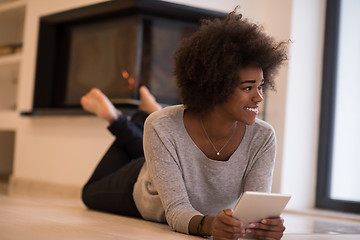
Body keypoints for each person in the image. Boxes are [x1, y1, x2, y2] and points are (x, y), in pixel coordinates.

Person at [81, 10, 288, 240]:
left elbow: (254, 210)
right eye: (248, 88)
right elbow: (176, 209)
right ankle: (121, 120)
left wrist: (264, 227)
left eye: (260, 86)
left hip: (168, 147)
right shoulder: (162, 127)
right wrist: (210, 225)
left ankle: (144, 114)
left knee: (161, 132)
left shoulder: (263, 136)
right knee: (89, 194)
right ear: (215, 86)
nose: (259, 97)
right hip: (143, 186)